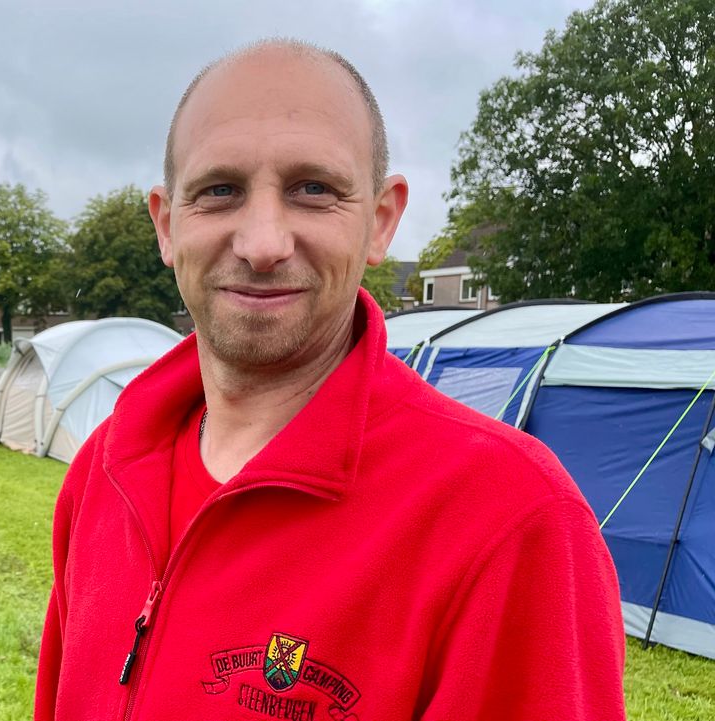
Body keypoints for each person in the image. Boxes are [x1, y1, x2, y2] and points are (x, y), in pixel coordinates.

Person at [34, 39, 626, 721]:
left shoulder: (514, 522)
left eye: (313, 189)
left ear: (380, 221)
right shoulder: (103, 473)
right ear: (167, 225)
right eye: (219, 190)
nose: (262, 243)